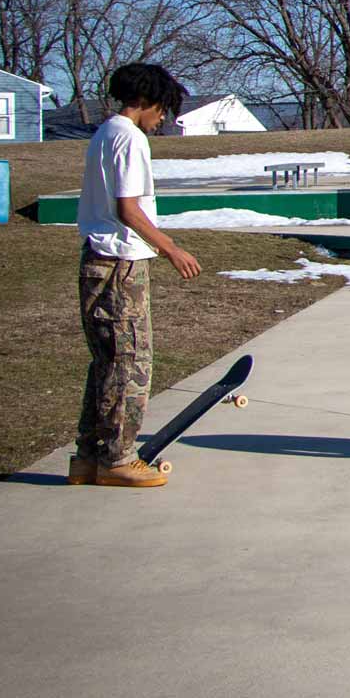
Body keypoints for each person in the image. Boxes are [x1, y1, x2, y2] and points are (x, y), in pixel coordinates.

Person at [70, 63, 203, 487]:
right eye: (162, 108)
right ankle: (119, 460)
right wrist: (171, 249)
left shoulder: (104, 133)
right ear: (145, 102)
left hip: (98, 261)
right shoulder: (129, 138)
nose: (162, 117)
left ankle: (90, 457)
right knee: (130, 364)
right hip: (120, 267)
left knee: (106, 363)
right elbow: (128, 208)